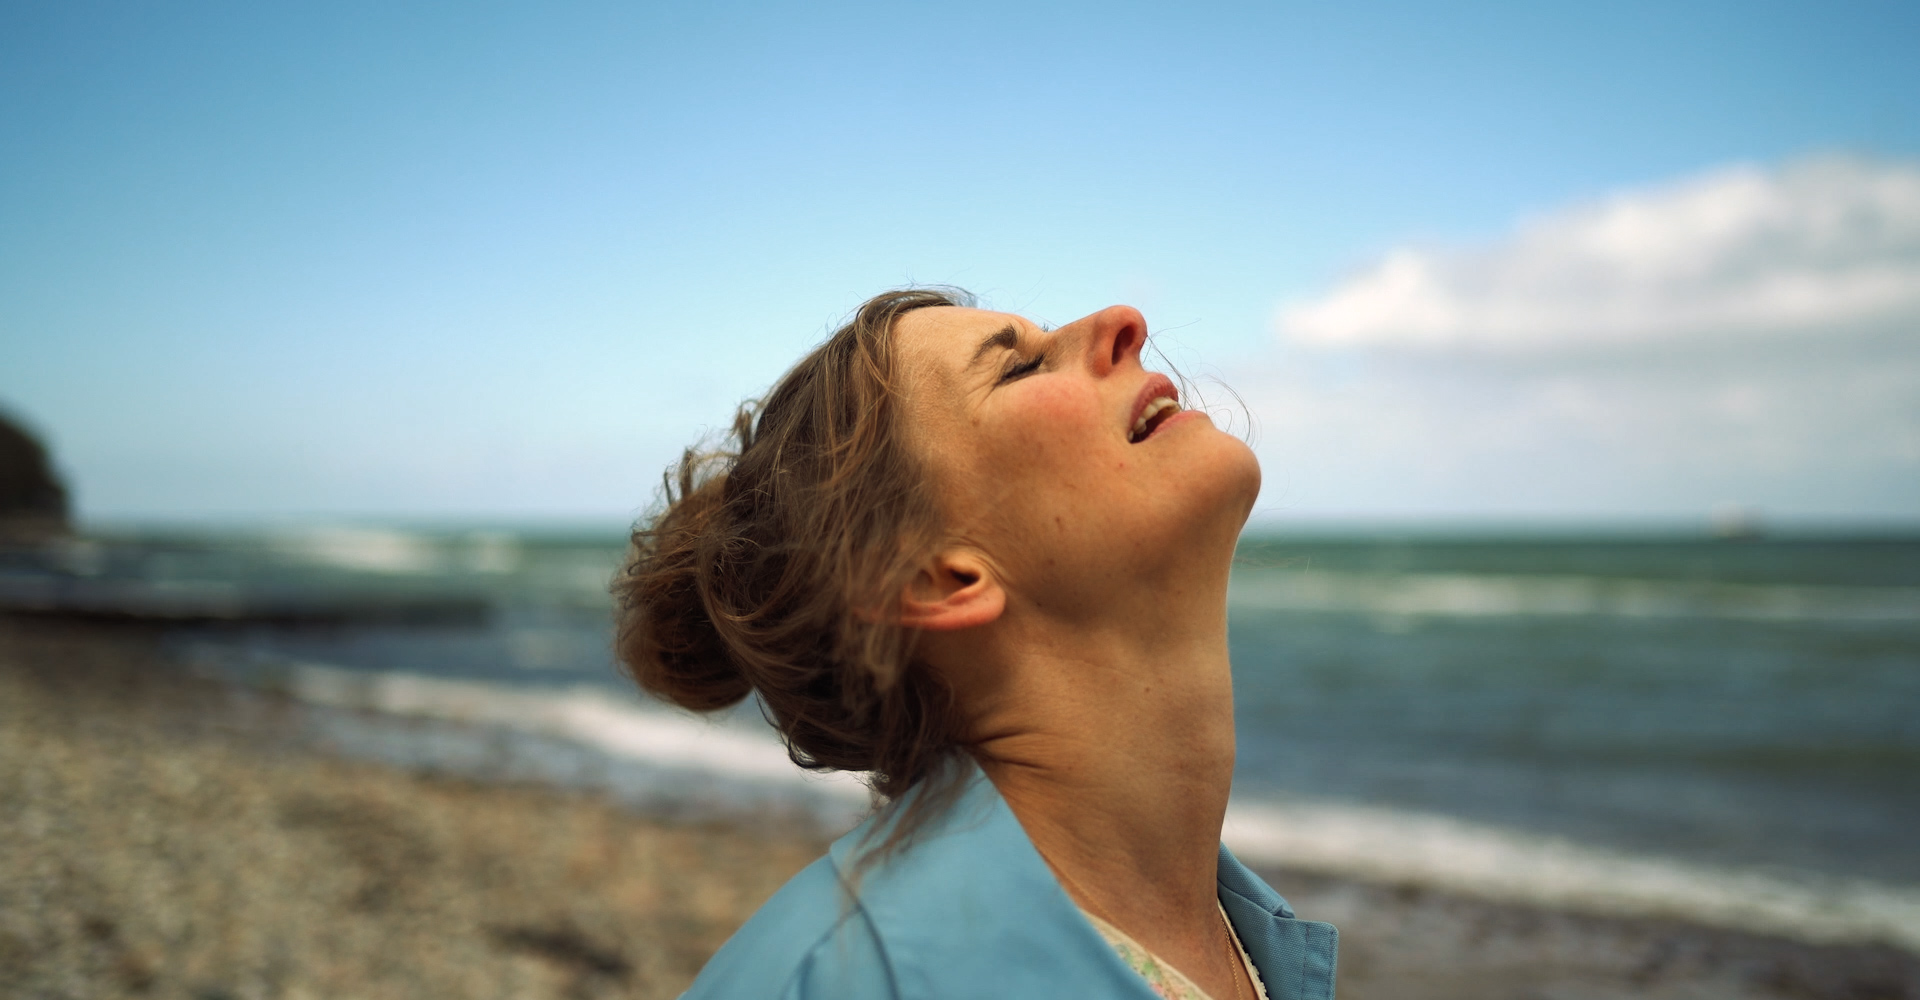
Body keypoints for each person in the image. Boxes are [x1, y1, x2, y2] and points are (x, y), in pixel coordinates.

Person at [614, 288, 1338, 999]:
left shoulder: (1249, 945)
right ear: (937, 577)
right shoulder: (839, 982)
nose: (1123, 321)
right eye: (1018, 368)